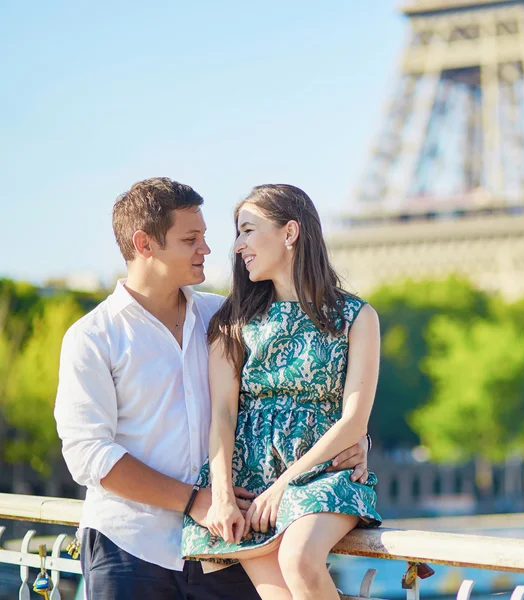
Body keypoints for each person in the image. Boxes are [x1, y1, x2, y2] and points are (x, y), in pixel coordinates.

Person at [54, 177, 370, 600]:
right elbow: (88, 454)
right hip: (131, 545)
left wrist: (357, 440)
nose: (209, 248)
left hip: (227, 536)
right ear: (145, 244)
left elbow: (303, 392)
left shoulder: (222, 316)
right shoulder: (92, 336)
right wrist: (196, 500)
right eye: (191, 239)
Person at [182, 184, 381, 600]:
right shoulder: (231, 322)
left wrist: (286, 484)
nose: (237, 246)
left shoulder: (356, 317)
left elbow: (354, 420)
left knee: (299, 559)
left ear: (290, 233)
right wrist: (221, 494)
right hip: (251, 482)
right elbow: (223, 414)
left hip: (322, 473)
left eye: (248, 231)